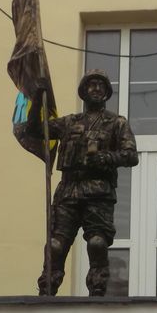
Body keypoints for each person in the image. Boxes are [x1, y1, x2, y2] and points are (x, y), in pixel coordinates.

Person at [26, 69, 138, 296]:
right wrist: (38, 97)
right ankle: (47, 289)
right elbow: (35, 130)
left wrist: (104, 157)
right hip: (68, 191)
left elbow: (131, 156)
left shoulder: (116, 123)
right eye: (91, 84)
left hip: (98, 192)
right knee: (55, 246)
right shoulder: (69, 122)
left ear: (107, 92)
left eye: (100, 85)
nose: (96, 88)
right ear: (83, 91)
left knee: (97, 243)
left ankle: (97, 290)